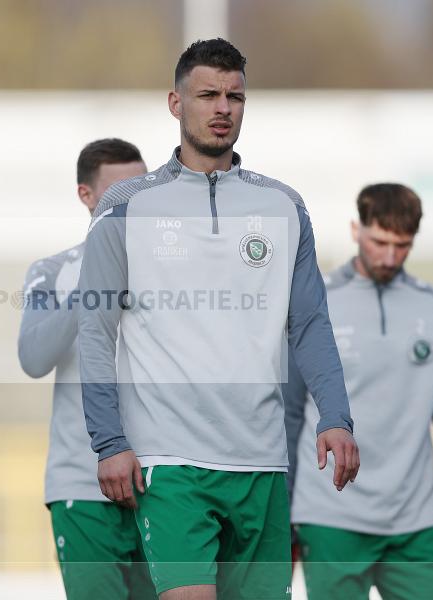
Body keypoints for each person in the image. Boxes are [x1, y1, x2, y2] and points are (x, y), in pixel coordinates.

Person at [77, 39, 359, 600]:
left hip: (262, 461)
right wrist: (108, 441)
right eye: (207, 94)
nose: (222, 107)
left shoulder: (284, 207)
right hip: (170, 462)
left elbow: (307, 323)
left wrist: (337, 416)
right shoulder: (127, 206)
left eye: (234, 96)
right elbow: (96, 329)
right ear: (176, 103)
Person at [285, 183, 433, 600]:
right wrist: (282, 511)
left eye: (403, 245)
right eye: (379, 241)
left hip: (417, 520)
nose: (390, 256)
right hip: (329, 516)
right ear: (356, 228)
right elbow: (289, 412)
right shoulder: (314, 301)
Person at [18, 138, 154, 600]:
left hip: (166, 483)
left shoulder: (174, 270)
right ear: (86, 196)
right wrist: (95, 284)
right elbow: (33, 357)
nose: (132, 204)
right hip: (84, 483)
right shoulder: (52, 271)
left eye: (142, 189)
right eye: (119, 193)